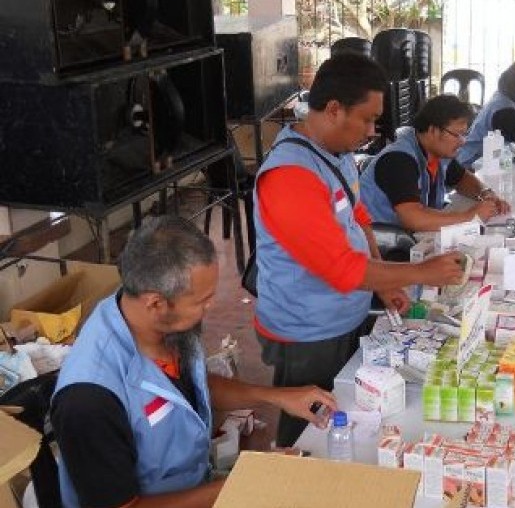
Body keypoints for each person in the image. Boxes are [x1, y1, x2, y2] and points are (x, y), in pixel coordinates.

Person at [50, 216, 339, 508]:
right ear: (156, 303)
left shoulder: (161, 323)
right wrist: (247, 480)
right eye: (202, 300)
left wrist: (275, 397)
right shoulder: (87, 400)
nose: (210, 307)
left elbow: (191, 388)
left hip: (195, 484)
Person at [253, 52, 464, 446]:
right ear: (334, 110)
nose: (372, 130)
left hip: (341, 315)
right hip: (307, 331)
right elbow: (341, 268)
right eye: (367, 119)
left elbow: (360, 218)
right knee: (308, 427)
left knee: (341, 412)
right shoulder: (290, 177)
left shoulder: (337, 153)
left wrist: (383, 283)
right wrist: (421, 272)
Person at [359, 94, 510, 232]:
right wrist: (469, 217)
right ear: (433, 130)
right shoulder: (399, 160)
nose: (462, 141)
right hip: (382, 245)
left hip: (411, 238)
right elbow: (413, 218)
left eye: (464, 135)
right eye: (457, 134)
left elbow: (462, 178)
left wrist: (486, 193)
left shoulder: (438, 153)